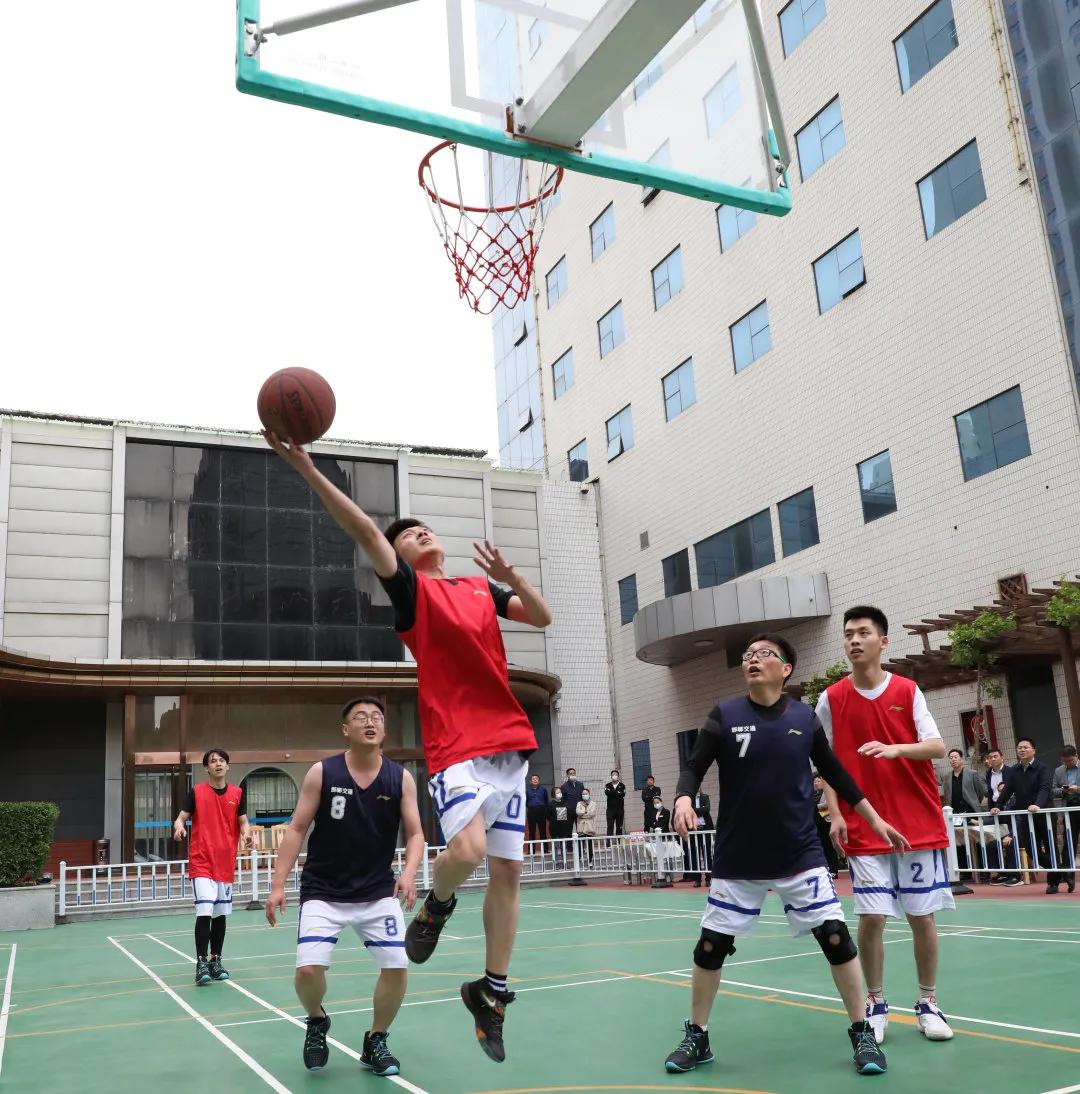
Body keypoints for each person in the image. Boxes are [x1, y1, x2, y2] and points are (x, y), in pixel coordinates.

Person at [265, 432, 553, 1064]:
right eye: (407, 534)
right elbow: (366, 531)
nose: (418, 533)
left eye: (424, 529)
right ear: (396, 557)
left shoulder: (480, 590)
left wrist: (511, 577)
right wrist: (307, 469)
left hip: (508, 741)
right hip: (457, 743)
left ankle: (491, 990)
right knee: (469, 850)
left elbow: (542, 618)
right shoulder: (413, 596)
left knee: (508, 871)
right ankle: (437, 906)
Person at [664, 633, 907, 1077]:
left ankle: (862, 1033)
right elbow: (694, 765)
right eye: (747, 656)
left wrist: (874, 820)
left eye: (763, 654)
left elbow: (835, 772)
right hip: (738, 856)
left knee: (835, 937)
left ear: (785, 668)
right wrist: (682, 798)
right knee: (710, 947)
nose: (752, 660)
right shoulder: (725, 713)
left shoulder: (803, 718)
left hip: (800, 853)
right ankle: (697, 1036)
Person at [265, 697, 424, 1077]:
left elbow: (416, 833)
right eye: (360, 717)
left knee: (397, 966)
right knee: (307, 973)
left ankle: (376, 1039)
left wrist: (409, 872)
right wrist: (277, 885)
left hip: (376, 892)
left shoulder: (400, 778)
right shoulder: (323, 772)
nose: (370, 722)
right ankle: (317, 1020)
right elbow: (297, 829)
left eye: (377, 718)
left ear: (384, 730)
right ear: (345, 729)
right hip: (324, 891)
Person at [818, 606, 954, 1045]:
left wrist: (897, 749)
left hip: (916, 822)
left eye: (863, 633)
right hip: (864, 827)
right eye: (848, 635)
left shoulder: (908, 690)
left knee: (922, 917)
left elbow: (936, 746)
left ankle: (928, 1002)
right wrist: (836, 813)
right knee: (872, 917)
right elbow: (826, 764)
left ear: (883, 641)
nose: (854, 640)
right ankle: (875, 1002)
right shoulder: (831, 699)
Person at [173, 748, 253, 986]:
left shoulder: (237, 793)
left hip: (225, 863)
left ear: (227, 766)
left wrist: (247, 835)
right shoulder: (197, 792)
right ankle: (201, 963)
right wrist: (178, 827)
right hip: (202, 861)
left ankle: (216, 960)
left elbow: (244, 822)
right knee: (205, 910)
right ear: (206, 768)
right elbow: (181, 818)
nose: (218, 764)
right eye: (212, 761)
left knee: (220, 914)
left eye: (221, 761)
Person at [991, 737, 1053, 890]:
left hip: (1043, 814)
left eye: (1026, 747)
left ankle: (1053, 882)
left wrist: (1037, 804)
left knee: (1050, 847)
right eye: (1019, 748)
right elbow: (1008, 790)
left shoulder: (1042, 768)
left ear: (1033, 750)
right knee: (1030, 847)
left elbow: (1045, 789)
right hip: (1025, 816)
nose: (1022, 750)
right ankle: (1060, 868)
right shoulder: (1014, 770)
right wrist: (998, 805)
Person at [939, 748, 988, 878]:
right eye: (951, 757)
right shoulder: (946, 777)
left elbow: (981, 791)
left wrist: (973, 802)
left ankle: (983, 871)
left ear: (961, 759)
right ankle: (965, 872)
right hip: (955, 815)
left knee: (977, 840)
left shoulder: (972, 773)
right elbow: (947, 796)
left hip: (971, 812)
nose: (953, 759)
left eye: (955, 757)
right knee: (959, 842)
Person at [1050, 745, 1079, 894]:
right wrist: (1063, 789)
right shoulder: (1058, 771)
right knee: (1069, 842)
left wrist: (1077, 789)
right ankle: (1069, 876)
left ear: (1076, 756)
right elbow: (1053, 789)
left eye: (1070, 760)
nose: (1068, 763)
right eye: (1065, 761)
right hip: (1069, 809)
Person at [681, 792, 713, 886]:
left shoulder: (705, 796)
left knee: (707, 853)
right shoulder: (688, 800)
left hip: (705, 829)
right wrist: (699, 810)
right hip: (693, 830)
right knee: (695, 855)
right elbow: (688, 811)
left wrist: (695, 811)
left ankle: (708, 878)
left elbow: (707, 809)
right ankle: (697, 879)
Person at [813, 773, 841, 878]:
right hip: (816, 824)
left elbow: (828, 805)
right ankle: (824, 869)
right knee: (821, 847)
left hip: (827, 822)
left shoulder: (828, 793)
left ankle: (834, 870)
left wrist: (817, 806)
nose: (816, 783)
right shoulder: (812, 794)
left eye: (818, 781)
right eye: (814, 781)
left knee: (829, 847)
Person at [548, 788, 574, 866]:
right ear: (553, 794)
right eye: (557, 792)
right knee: (556, 846)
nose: (559, 794)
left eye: (560, 792)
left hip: (563, 829)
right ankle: (555, 863)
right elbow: (548, 816)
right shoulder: (551, 804)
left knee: (563, 846)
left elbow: (569, 813)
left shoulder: (565, 803)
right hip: (554, 828)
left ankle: (565, 862)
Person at [525, 773, 549, 851]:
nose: (535, 780)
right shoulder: (527, 791)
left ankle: (545, 849)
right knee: (532, 832)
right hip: (531, 812)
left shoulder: (543, 789)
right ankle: (531, 850)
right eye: (533, 779)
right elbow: (525, 802)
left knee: (543, 831)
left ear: (539, 781)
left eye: (536, 779)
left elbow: (546, 801)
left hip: (542, 812)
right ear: (530, 781)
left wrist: (545, 811)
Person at [576, 788, 598, 865]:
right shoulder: (579, 803)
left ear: (589, 794)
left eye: (586, 794)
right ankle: (579, 859)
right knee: (580, 845)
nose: (584, 795)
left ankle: (590, 860)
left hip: (589, 827)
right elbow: (578, 812)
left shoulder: (593, 803)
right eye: (583, 794)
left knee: (589, 845)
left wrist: (583, 815)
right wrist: (585, 812)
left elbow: (592, 814)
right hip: (581, 827)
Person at [604, 770, 626, 836]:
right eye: (613, 774)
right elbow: (607, 793)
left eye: (616, 774)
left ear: (618, 776)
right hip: (610, 810)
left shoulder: (622, 785)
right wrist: (617, 792)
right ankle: (609, 844)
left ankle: (618, 843)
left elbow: (622, 794)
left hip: (620, 810)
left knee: (619, 827)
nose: (614, 776)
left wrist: (612, 792)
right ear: (611, 776)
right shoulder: (607, 785)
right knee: (610, 826)